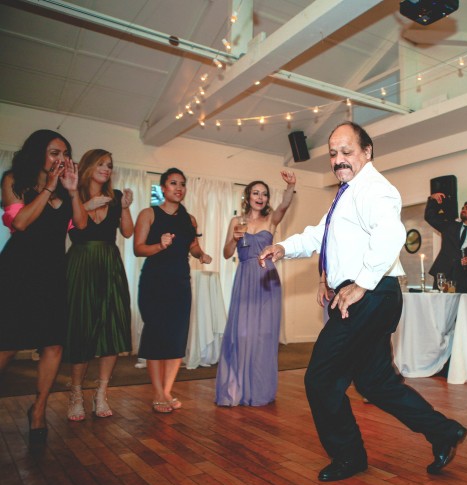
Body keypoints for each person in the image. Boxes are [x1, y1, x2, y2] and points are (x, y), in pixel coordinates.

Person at [258, 121, 467, 482]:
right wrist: (284, 247)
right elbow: (319, 235)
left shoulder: (375, 189)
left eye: (347, 152)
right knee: (376, 383)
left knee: (320, 380)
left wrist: (360, 284)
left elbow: (391, 234)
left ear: (367, 152)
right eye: (333, 154)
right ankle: (443, 431)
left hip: (370, 294)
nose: (338, 160)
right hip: (369, 295)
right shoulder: (347, 193)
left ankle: (349, 457)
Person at [0, 130, 86, 445]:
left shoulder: (66, 189)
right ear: (39, 153)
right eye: (54, 153)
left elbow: (82, 224)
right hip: (17, 272)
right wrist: (49, 187)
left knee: (53, 344)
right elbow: (20, 223)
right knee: (6, 343)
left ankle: (38, 410)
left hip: (52, 273)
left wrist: (74, 192)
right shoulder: (13, 180)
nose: (60, 159)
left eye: (65, 153)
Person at [134, 167, 212, 413]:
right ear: (163, 188)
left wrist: (202, 255)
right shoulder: (149, 214)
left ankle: (167, 391)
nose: (178, 188)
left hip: (180, 283)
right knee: (156, 337)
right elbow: (138, 249)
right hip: (154, 283)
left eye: (182, 184)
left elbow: (194, 246)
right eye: (173, 183)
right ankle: (157, 392)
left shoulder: (189, 220)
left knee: (177, 337)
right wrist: (160, 245)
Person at [215, 171, 296, 407]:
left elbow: (285, 204)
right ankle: (235, 388)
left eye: (264, 194)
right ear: (247, 196)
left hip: (267, 280)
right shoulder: (236, 221)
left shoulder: (271, 220)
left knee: (263, 336)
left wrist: (290, 185)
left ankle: (259, 390)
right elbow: (227, 253)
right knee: (241, 334)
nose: (260, 197)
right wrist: (235, 238)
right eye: (255, 193)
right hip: (245, 278)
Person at [64, 149, 134, 421]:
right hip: (81, 262)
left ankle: (102, 392)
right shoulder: (74, 193)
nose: (107, 168)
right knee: (80, 327)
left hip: (109, 262)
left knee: (112, 326)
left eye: (110, 165)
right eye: (102, 164)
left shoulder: (115, 197)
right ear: (89, 166)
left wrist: (125, 207)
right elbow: (77, 227)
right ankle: (76, 393)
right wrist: (85, 204)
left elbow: (127, 232)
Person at [424, 196, 467, 293]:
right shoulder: (450, 226)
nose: (463, 210)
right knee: (440, 304)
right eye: (463, 208)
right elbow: (430, 217)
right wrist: (432, 200)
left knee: (459, 306)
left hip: (462, 278)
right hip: (443, 274)